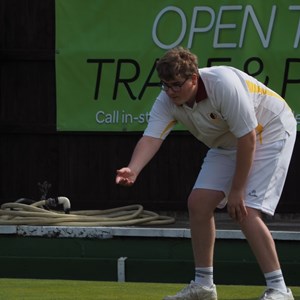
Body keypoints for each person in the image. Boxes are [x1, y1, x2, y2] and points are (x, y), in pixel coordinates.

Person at [115, 47, 296, 300]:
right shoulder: (166, 99)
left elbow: (248, 138)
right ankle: (204, 286)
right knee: (198, 203)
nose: (170, 91)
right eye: (165, 85)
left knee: (247, 210)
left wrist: (236, 190)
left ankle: (279, 289)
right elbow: (152, 137)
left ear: (194, 78)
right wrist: (133, 169)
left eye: (176, 85)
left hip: (269, 131)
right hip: (229, 142)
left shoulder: (224, 84)